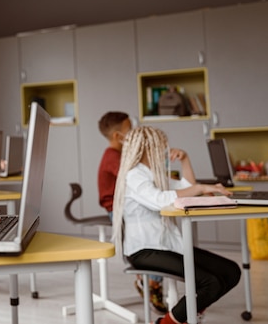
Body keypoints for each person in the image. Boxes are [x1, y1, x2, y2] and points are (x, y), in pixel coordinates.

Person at [111, 126, 241, 324]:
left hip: (166, 245)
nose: (165, 150)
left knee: (231, 272)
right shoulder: (134, 175)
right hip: (145, 250)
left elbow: (186, 189)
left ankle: (189, 314)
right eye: (161, 146)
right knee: (210, 283)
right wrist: (200, 188)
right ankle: (168, 322)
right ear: (148, 148)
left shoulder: (153, 174)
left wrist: (185, 159)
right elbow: (161, 200)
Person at [98, 112, 167, 313]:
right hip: (116, 208)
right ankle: (151, 282)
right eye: (130, 129)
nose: (135, 132)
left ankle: (149, 280)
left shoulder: (120, 155)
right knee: (151, 232)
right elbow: (134, 179)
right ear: (117, 136)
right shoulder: (113, 157)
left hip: (125, 205)